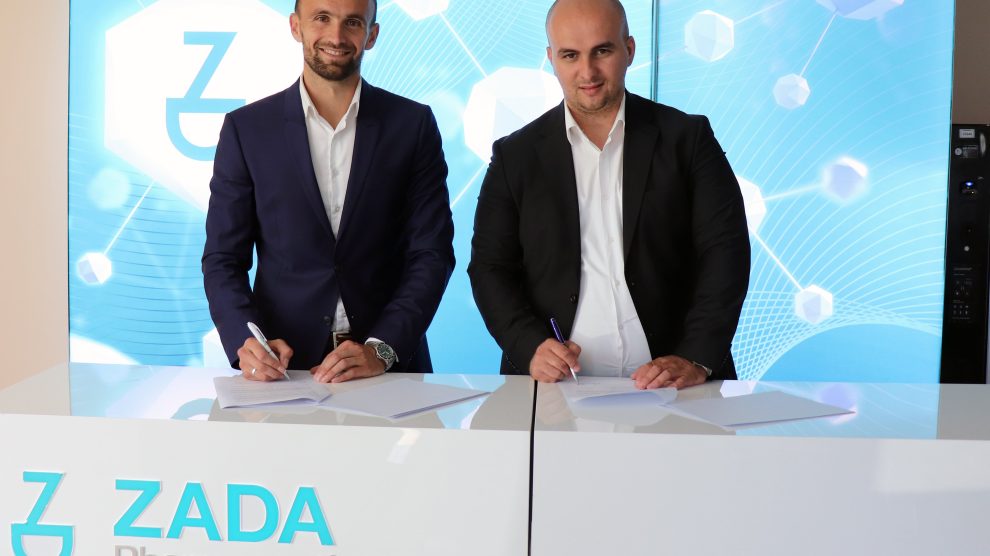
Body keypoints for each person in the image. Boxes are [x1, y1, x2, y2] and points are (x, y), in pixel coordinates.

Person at [468, 0, 750, 389]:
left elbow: (725, 253)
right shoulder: (513, 156)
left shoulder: (688, 139)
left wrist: (696, 356)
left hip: (677, 386)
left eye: (602, 51)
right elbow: (489, 267)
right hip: (555, 389)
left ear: (629, 49)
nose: (588, 72)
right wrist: (528, 345)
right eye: (570, 55)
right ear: (551, 59)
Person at [203, 0, 454, 383]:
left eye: (352, 22)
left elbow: (432, 253)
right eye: (322, 18)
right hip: (284, 367)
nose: (336, 36)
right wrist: (245, 339)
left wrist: (382, 349)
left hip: (390, 369)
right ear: (296, 26)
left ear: (372, 35)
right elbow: (223, 258)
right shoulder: (247, 130)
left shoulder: (412, 125)